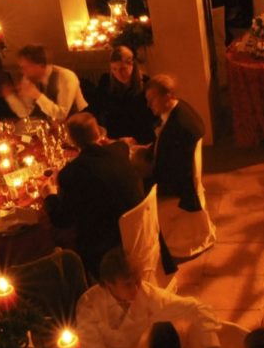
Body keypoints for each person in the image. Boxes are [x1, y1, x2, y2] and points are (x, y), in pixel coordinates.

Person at [73, 249, 219, 348]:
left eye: (138, 281)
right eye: (128, 284)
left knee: (166, 332)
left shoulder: (146, 295)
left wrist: (211, 345)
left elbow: (197, 308)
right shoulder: (88, 306)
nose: (136, 289)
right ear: (109, 284)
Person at [46, 113, 146, 279]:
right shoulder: (120, 150)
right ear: (99, 133)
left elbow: (62, 220)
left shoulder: (71, 174)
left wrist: (49, 195)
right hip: (139, 231)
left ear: (71, 140)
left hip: (108, 246)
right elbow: (120, 144)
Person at [142, 74, 206, 214]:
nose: (148, 105)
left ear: (168, 96)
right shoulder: (181, 107)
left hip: (173, 187)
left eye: (152, 100)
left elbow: (164, 170)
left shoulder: (178, 127)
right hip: (176, 173)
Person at [91, 45, 157, 144]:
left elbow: (152, 120)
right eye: (114, 69)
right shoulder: (106, 82)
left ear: (132, 65)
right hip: (113, 139)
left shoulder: (147, 85)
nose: (118, 74)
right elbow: (96, 108)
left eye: (122, 69)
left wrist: (134, 140)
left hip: (140, 140)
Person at [16, 44, 88, 122]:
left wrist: (37, 95)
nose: (23, 72)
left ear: (40, 65)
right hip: (48, 125)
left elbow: (61, 115)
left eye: (25, 67)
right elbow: (25, 113)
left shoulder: (66, 77)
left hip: (77, 124)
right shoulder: (29, 78)